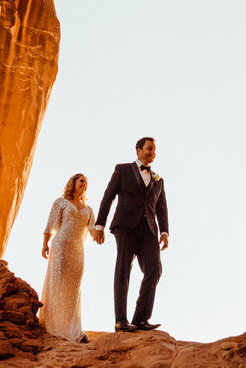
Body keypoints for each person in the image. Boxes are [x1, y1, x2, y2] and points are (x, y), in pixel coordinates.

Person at [93, 136, 169, 332]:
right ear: (138, 150)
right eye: (149, 149)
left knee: (155, 268)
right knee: (123, 271)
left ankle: (141, 318)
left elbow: (162, 208)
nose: (153, 153)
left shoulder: (158, 180)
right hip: (125, 226)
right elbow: (108, 197)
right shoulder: (122, 170)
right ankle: (120, 320)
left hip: (149, 230)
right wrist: (99, 225)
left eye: (154, 150)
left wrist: (165, 232)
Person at [40, 173, 101, 342]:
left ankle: (73, 330)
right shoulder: (60, 203)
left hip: (77, 252)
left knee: (73, 290)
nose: (84, 184)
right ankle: (54, 327)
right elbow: (50, 224)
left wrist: (101, 231)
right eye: (82, 181)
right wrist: (45, 244)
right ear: (73, 183)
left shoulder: (88, 210)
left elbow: (93, 231)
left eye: (86, 183)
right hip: (60, 247)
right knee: (57, 285)